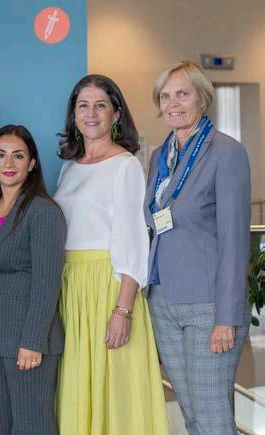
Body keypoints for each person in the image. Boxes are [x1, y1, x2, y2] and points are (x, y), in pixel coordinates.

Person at [54, 74, 170, 434]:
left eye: (100, 105)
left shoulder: (125, 165)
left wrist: (123, 310)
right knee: (79, 389)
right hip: (71, 287)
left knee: (113, 392)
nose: (91, 113)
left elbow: (133, 241)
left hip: (108, 287)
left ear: (116, 114)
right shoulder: (69, 166)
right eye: (83, 105)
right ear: (74, 115)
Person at [145, 61, 251, 435]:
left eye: (182, 94)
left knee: (211, 414)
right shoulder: (160, 156)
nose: (173, 103)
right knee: (190, 413)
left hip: (209, 306)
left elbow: (235, 242)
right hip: (163, 300)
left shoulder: (226, 152)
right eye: (165, 96)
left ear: (201, 99)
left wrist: (227, 316)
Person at [0, 124, 66, 435]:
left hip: (26, 339)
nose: (8, 163)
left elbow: (47, 283)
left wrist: (33, 341)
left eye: (18, 156)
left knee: (31, 427)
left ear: (32, 163)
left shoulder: (43, 211)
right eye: (1, 155)